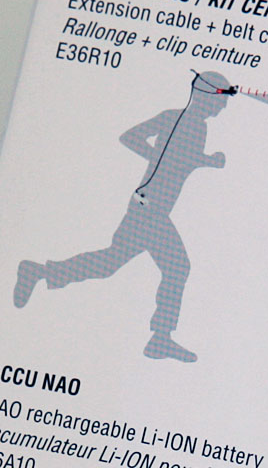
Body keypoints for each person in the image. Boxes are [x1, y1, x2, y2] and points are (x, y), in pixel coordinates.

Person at [13, 71, 235, 363]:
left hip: (148, 206)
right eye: (220, 101)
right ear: (206, 97)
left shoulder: (190, 123)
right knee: (176, 267)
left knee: (110, 263)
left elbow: (176, 158)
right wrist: (170, 158)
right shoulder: (186, 122)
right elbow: (135, 139)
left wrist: (202, 161)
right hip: (150, 209)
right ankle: (160, 338)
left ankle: (42, 272)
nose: (222, 108)